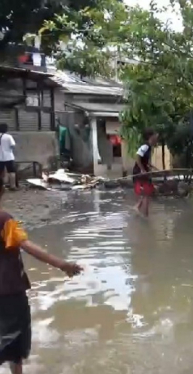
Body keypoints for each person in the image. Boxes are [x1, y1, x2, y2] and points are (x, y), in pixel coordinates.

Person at [0, 185, 83, 374]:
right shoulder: (4, 220)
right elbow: (26, 246)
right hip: (9, 290)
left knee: (7, 338)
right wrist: (62, 264)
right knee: (14, 343)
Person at [132, 129, 158, 217]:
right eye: (155, 135)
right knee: (147, 192)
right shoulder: (145, 146)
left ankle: (138, 207)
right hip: (139, 172)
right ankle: (146, 216)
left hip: (144, 171)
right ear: (151, 137)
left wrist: (151, 166)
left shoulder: (149, 147)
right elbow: (137, 157)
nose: (157, 137)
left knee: (148, 191)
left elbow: (144, 160)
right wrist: (142, 170)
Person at [0, 123, 17, 191]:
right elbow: (12, 145)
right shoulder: (8, 136)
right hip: (9, 157)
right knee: (11, 172)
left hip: (0, 158)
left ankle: (2, 186)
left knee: (1, 172)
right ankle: (12, 186)